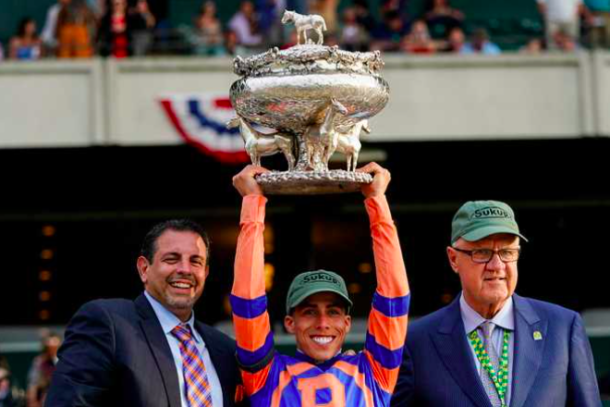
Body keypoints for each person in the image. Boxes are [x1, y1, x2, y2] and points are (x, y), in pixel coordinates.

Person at [230, 163, 410, 406]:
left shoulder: (374, 371)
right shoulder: (266, 376)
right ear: (290, 323)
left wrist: (378, 200)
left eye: (333, 311)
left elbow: (394, 297)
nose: (323, 323)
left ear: (347, 323)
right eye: (309, 311)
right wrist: (252, 204)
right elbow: (248, 301)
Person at [390, 200, 602, 407]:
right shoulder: (416, 343)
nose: (497, 265)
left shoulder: (563, 328)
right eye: (482, 252)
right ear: (453, 259)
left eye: (507, 252)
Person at [45, 219, 245, 406]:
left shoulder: (225, 349)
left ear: (205, 273)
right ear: (143, 269)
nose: (185, 269)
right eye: (172, 259)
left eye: (195, 261)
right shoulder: (107, 324)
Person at [26, 332, 61, 407]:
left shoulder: (64, 361)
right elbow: (33, 383)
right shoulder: (40, 361)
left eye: (55, 347)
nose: (52, 349)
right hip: (45, 399)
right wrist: (32, 401)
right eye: (49, 347)